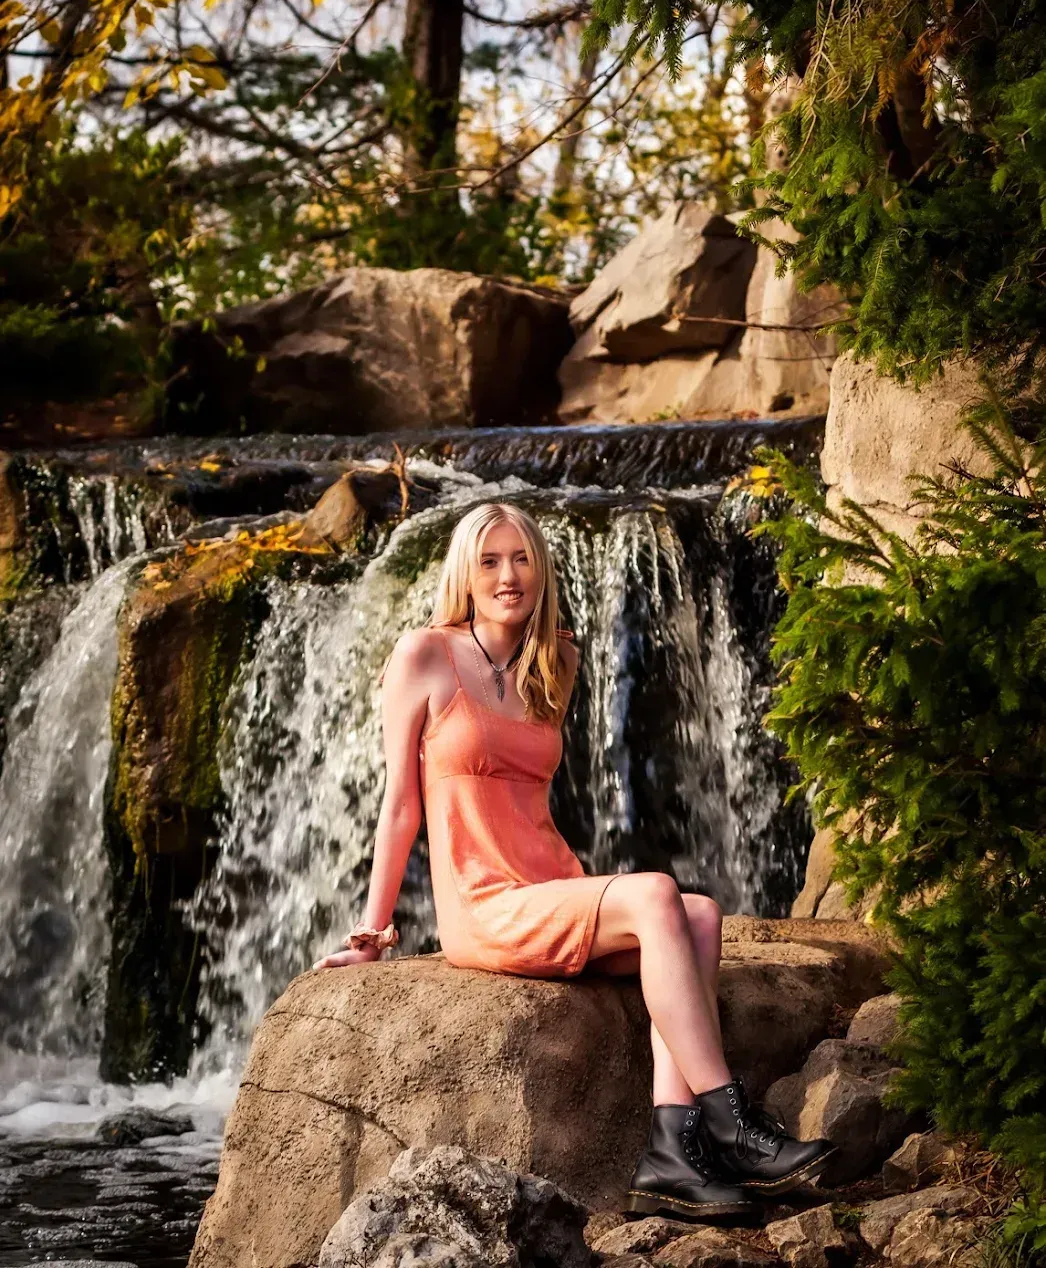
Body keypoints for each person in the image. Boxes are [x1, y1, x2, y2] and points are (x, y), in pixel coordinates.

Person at [314, 500, 835, 1220]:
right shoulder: (424, 656)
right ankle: (732, 1122)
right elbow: (400, 806)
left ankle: (671, 1152)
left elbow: (529, 795)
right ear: (466, 571)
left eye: (521, 558)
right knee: (656, 894)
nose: (508, 575)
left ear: (541, 569)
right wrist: (372, 936)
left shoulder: (556, 657)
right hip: (485, 902)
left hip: (549, 882)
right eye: (491, 560)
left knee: (701, 917)